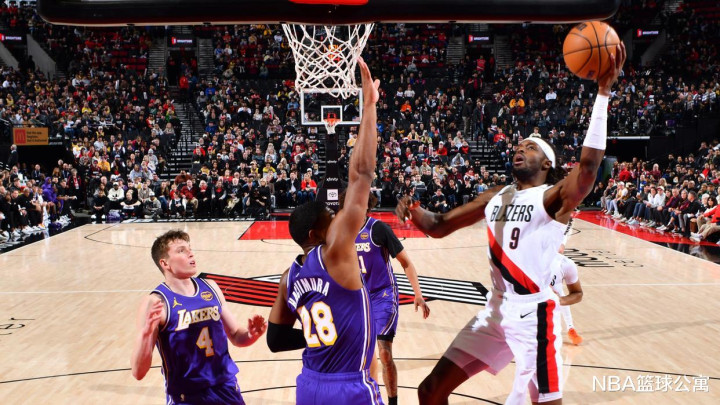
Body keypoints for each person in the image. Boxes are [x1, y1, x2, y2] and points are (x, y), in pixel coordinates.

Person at [396, 43, 625, 405]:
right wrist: (412, 208)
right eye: (518, 145)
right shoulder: (496, 195)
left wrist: (603, 95)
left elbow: (588, 168)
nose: (520, 148)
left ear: (547, 164)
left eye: (530, 147)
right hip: (496, 309)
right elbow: (438, 225)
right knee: (430, 390)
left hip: (534, 314)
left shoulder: (552, 198)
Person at [266, 57, 384, 404]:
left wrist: (319, 337)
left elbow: (275, 339)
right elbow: (361, 175)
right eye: (330, 219)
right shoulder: (335, 251)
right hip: (349, 387)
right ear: (316, 235)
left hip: (309, 385)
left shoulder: (289, 277)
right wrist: (368, 108)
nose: (337, 221)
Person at [131, 230, 267, 404]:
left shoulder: (211, 287)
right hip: (186, 396)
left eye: (190, 248)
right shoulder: (156, 302)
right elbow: (138, 372)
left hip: (225, 387)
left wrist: (251, 334)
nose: (191, 254)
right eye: (181, 250)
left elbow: (236, 336)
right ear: (165, 263)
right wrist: (145, 335)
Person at [340, 192, 431, 405]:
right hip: (358, 299)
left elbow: (406, 262)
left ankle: (392, 402)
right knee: (357, 355)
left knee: (384, 352)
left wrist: (418, 294)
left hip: (383, 294)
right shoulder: (342, 232)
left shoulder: (378, 229)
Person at [551, 217, 583, 346]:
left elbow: (578, 294)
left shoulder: (563, 263)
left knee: (559, 296)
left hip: (555, 269)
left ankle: (570, 328)